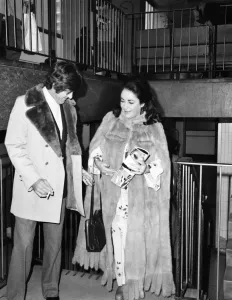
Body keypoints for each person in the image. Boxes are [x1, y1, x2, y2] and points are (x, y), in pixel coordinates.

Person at [73, 79, 175, 300]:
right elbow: (95, 147)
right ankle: (122, 284)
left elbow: (164, 164)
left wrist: (146, 167)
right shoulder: (111, 120)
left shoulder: (154, 127)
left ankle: (132, 283)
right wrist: (98, 162)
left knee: (135, 242)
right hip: (113, 195)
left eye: (131, 102)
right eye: (122, 101)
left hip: (141, 200)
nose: (126, 106)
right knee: (117, 239)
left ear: (143, 104)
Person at [4, 61, 92, 300]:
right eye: (67, 90)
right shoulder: (24, 103)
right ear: (54, 83)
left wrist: (78, 170)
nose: (71, 95)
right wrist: (33, 179)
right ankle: (14, 296)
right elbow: (14, 146)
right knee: (23, 248)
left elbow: (69, 146)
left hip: (59, 187)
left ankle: (51, 290)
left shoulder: (69, 108)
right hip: (31, 188)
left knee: (55, 245)